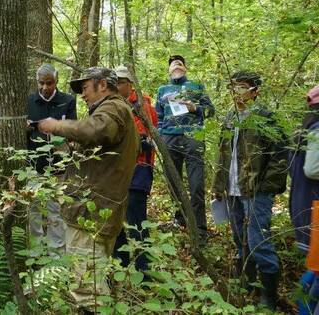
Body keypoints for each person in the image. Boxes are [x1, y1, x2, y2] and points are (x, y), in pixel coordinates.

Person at [38, 67, 139, 308]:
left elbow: (98, 130)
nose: (82, 95)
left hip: (91, 213)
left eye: (85, 88)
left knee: (86, 288)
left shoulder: (113, 108)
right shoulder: (116, 109)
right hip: (97, 210)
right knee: (96, 279)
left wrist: (57, 126)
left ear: (102, 85)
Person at [212, 71, 287, 310]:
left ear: (255, 91)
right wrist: (218, 186)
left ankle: (269, 295)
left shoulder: (266, 118)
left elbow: (280, 156)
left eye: (242, 87)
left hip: (256, 192)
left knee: (258, 240)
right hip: (232, 190)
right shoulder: (229, 118)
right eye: (233, 87)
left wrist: (266, 187)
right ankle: (247, 284)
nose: (236, 92)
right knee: (239, 239)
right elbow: (223, 155)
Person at [155, 54, 214, 240]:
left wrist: (195, 108)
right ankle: (179, 221)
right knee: (174, 183)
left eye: (180, 63)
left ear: (185, 68)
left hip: (193, 138)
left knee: (196, 185)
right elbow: (158, 118)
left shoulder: (196, 87)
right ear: (169, 70)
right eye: (173, 64)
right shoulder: (163, 90)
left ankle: (200, 229)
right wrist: (160, 138)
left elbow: (210, 111)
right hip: (169, 139)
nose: (176, 66)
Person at [26, 63, 77, 252]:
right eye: (42, 83)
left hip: (58, 164)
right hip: (33, 163)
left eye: (50, 83)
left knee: (55, 208)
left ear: (56, 82)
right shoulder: (29, 101)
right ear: (37, 82)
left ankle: (56, 252)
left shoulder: (67, 100)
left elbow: (72, 128)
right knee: (33, 208)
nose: (45, 88)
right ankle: (36, 249)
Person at [112, 65, 158, 273]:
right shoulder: (112, 105)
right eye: (115, 82)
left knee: (137, 220)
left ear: (130, 84)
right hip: (117, 171)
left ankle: (144, 271)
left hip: (139, 168)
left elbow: (145, 139)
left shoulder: (142, 105)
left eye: (121, 82)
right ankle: (120, 265)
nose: (117, 86)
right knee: (115, 219)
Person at [290, 85, 319, 314]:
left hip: (303, 203)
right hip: (314, 206)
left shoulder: (303, 128)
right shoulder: (316, 128)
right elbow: (312, 168)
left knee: (314, 268)